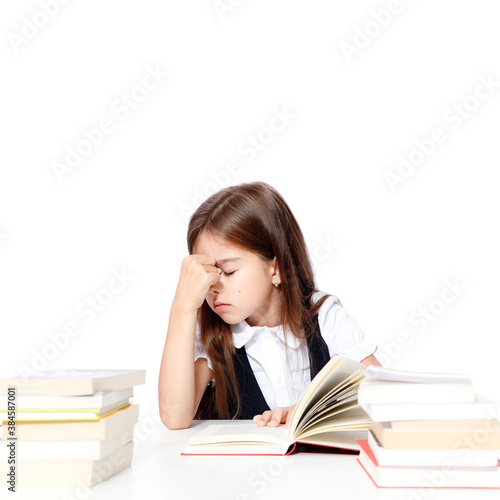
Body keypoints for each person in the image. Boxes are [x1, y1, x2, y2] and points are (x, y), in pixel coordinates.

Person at [158, 181, 380, 430]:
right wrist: (184, 305)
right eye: (208, 274)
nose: (214, 286)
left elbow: (381, 393)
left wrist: (311, 409)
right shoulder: (212, 333)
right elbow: (174, 417)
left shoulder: (324, 316)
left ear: (276, 268)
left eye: (229, 271)